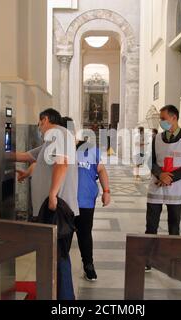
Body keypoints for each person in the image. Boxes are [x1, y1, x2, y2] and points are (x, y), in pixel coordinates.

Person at [16, 108, 78, 300]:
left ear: (45, 120)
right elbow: (27, 156)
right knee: (52, 256)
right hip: (50, 207)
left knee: (58, 256)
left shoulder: (59, 134)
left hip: (56, 208)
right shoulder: (50, 141)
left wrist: (52, 194)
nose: (38, 127)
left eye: (39, 123)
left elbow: (62, 163)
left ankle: (66, 300)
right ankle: (55, 296)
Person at [145, 105, 181, 272]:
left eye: (163, 118)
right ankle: (148, 258)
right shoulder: (157, 139)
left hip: (176, 186)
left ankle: (174, 258)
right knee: (151, 224)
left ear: (174, 118)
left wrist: (170, 177)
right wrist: (161, 175)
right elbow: (151, 161)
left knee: (174, 225)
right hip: (157, 184)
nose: (161, 122)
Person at [61, 117, 111, 282]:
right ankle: (61, 268)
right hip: (65, 203)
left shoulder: (89, 148)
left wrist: (106, 191)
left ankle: (88, 266)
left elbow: (101, 170)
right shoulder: (58, 150)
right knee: (64, 236)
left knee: (84, 235)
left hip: (85, 202)